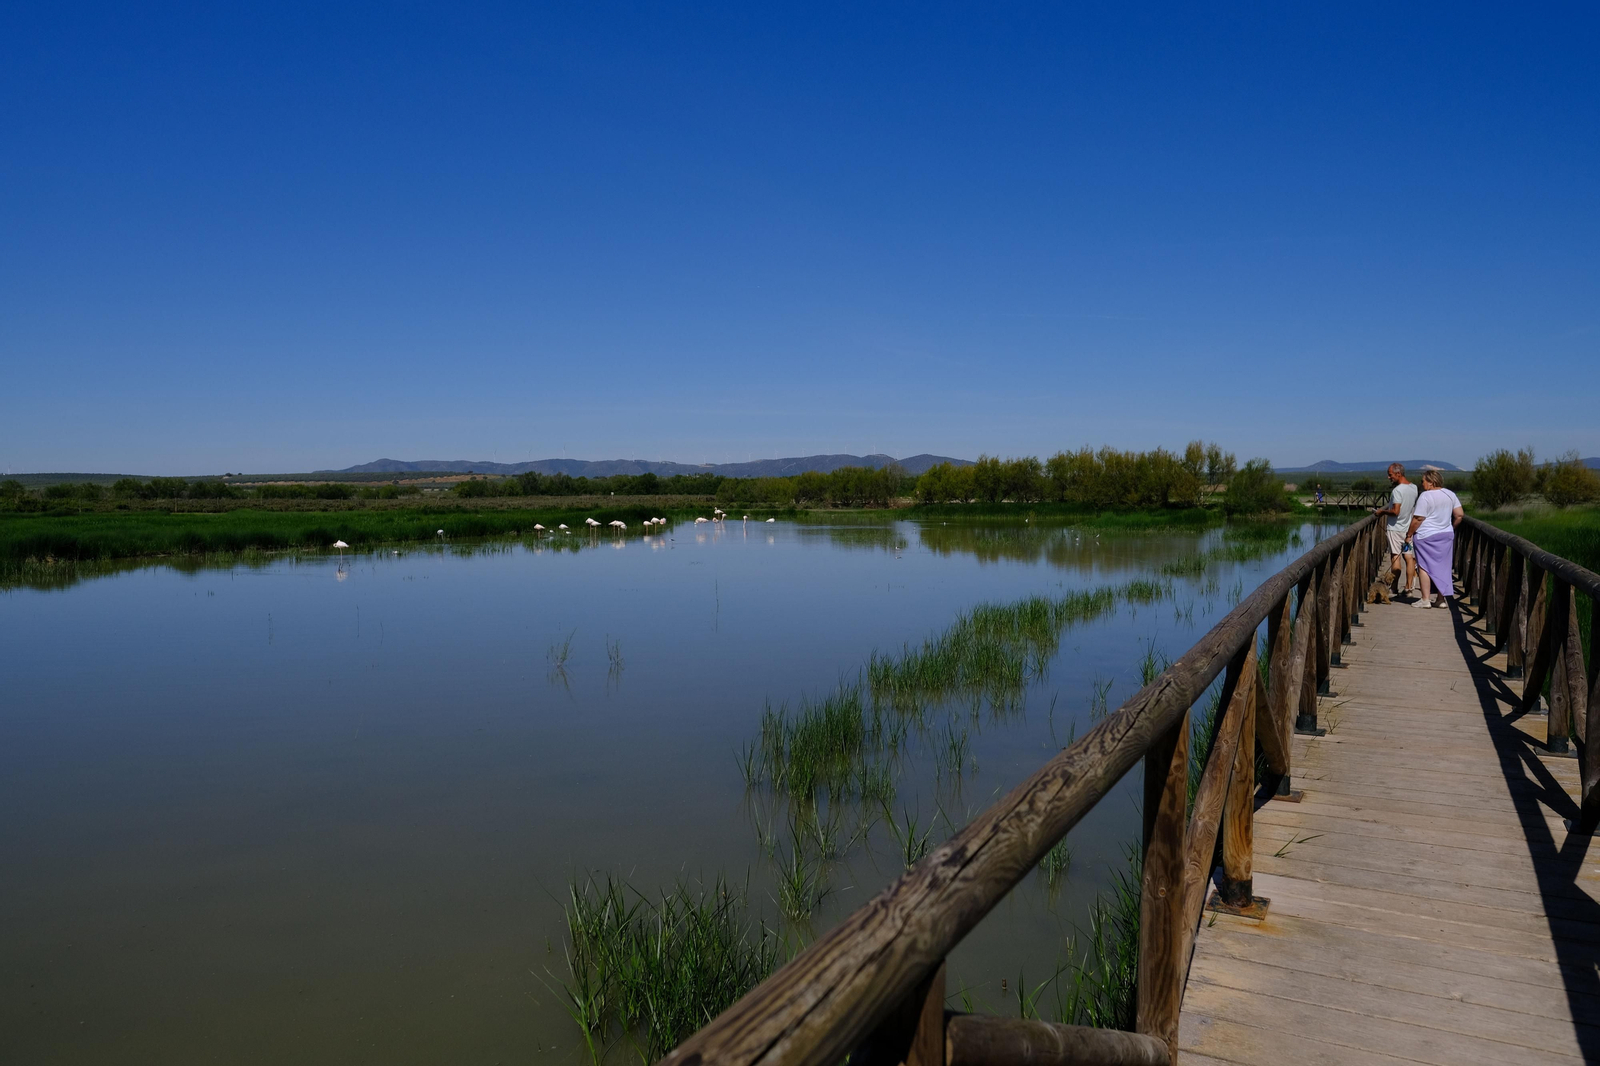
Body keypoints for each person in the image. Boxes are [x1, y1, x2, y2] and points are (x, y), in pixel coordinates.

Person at [1406, 469, 1464, 608]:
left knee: (1424, 566)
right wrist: (1451, 527)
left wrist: (1409, 535)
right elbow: (1459, 515)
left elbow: (1418, 518)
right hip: (1445, 535)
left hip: (1426, 535)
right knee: (1443, 567)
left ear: (1431, 482)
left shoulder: (1425, 496)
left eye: (1423, 481)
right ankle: (1440, 599)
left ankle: (1425, 599)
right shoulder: (1450, 494)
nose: (1422, 484)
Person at [1372, 464, 1418, 597]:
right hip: (1408, 529)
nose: (1388, 477)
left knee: (1395, 557)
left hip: (1395, 529)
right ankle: (1409, 588)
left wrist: (1382, 512)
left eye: (1390, 474)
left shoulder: (1397, 491)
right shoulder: (1414, 487)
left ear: (1398, 474)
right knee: (1409, 558)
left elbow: (1395, 511)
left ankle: (1394, 587)